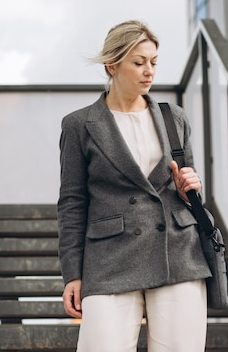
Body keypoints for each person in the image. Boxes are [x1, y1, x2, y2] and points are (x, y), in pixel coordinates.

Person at [57, 20, 210, 352]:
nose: (149, 71)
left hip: (177, 252)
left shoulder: (174, 118)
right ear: (113, 65)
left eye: (153, 62)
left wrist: (191, 187)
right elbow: (72, 203)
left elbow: (190, 187)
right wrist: (72, 272)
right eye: (138, 62)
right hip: (110, 259)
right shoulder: (79, 124)